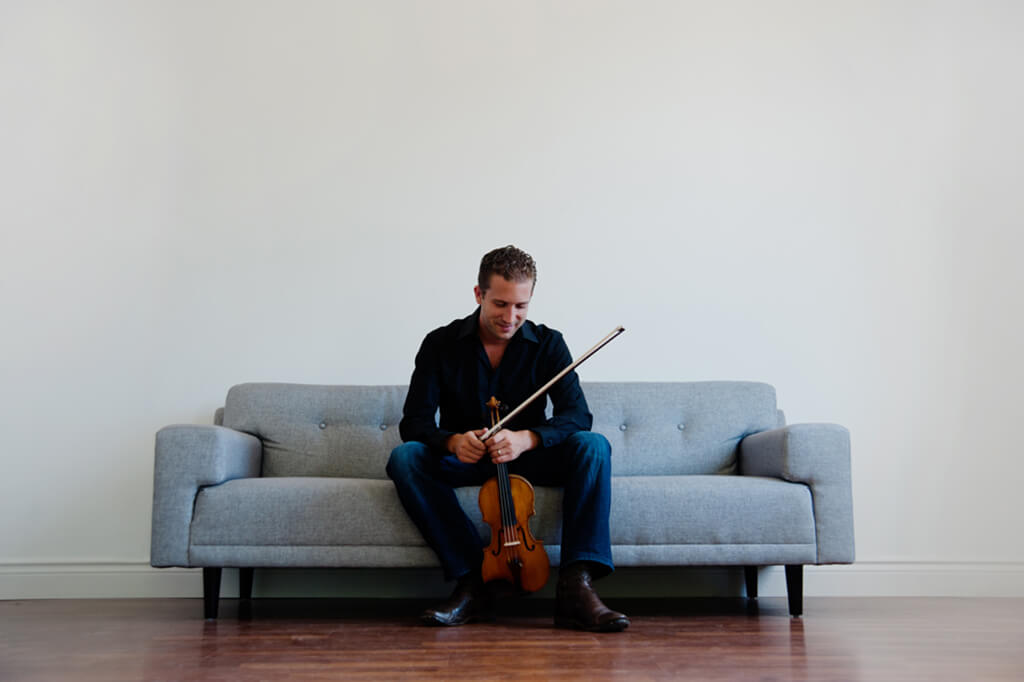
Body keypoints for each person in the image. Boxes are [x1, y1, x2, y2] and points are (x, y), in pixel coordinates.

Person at [386, 245, 629, 632]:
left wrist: (528, 438)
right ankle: (473, 582)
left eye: (521, 306)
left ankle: (576, 587)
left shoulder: (549, 343)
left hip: (529, 456)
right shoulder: (440, 343)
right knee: (406, 458)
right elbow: (414, 423)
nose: (510, 317)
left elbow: (577, 416)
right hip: (468, 459)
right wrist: (452, 442)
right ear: (478, 294)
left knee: (593, 446)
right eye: (500, 304)